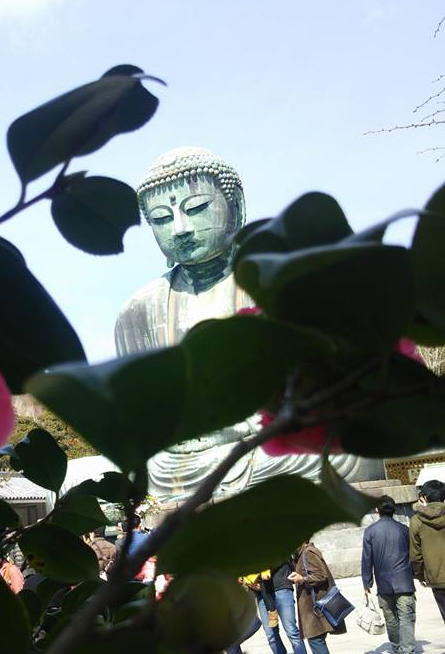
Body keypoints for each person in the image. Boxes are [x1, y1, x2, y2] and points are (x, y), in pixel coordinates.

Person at [113, 146, 378, 503]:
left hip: (272, 440)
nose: (181, 228)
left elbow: (323, 388)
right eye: (161, 218)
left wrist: (247, 424)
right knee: (141, 468)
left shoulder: (281, 280)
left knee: (346, 453)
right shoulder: (137, 312)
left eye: (196, 208)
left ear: (235, 205)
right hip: (187, 460)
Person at [362, 495, 416, 654]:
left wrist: (367, 582)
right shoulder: (404, 530)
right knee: (406, 617)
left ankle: (398, 649)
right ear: (395, 509)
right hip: (404, 581)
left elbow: (366, 559)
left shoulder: (370, 531)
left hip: (383, 584)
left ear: (377, 510)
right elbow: (413, 555)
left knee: (391, 618)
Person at [289, 543, 344, 654]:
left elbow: (321, 575)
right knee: (317, 638)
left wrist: (302, 578)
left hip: (315, 605)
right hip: (312, 605)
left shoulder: (309, 552)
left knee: (315, 639)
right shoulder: (302, 553)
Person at [250, 561, 311, 654]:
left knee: (291, 631)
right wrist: (250, 582)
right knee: (271, 634)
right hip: (262, 593)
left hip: (281, 586)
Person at [410, 479, 445, 625]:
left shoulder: (417, 520)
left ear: (424, 497)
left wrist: (419, 574)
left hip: (435, 576)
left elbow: (415, 553)